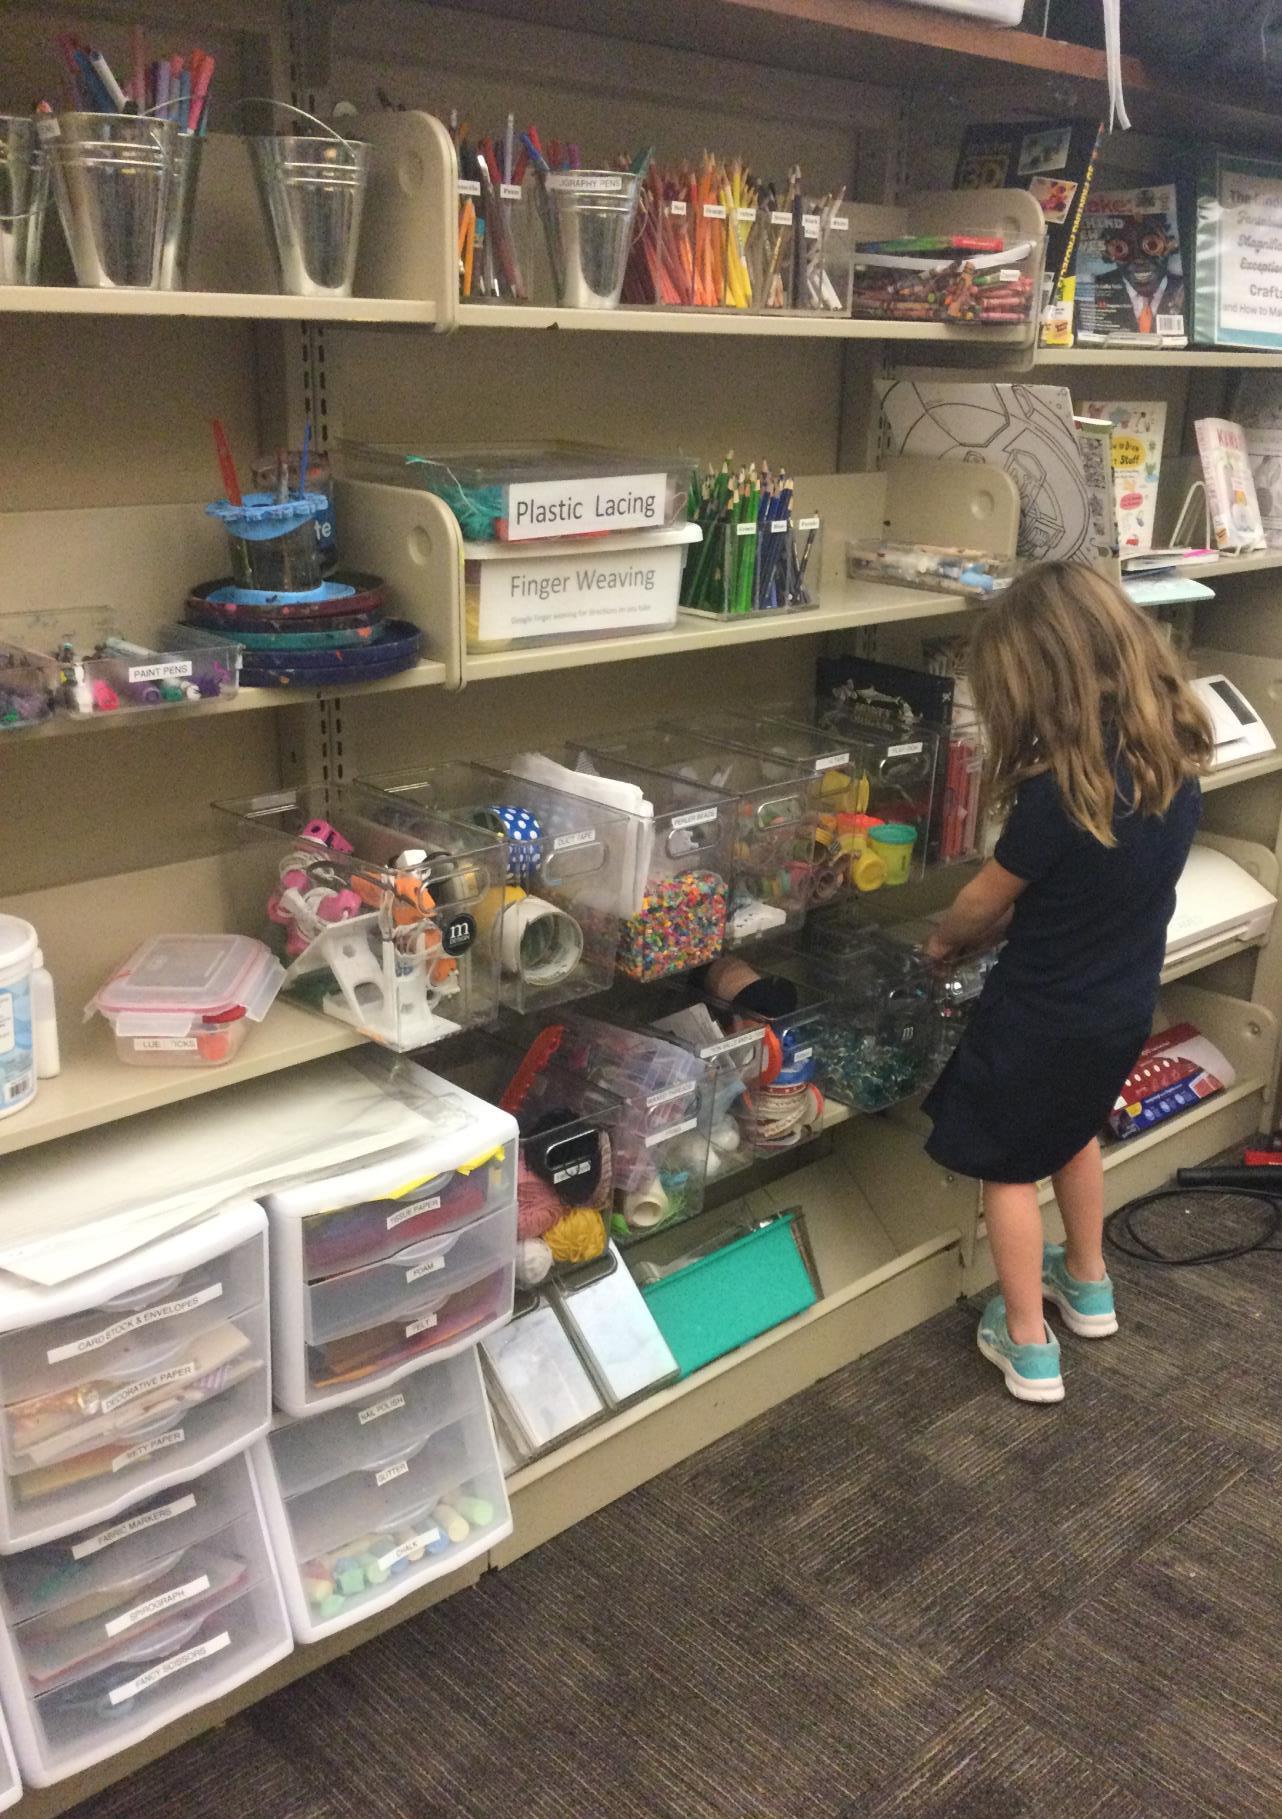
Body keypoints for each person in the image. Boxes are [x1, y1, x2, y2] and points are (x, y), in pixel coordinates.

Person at [922, 563, 1213, 1403]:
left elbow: (986, 901)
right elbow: (1094, 884)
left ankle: (1025, 1342)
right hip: (1121, 1005)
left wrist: (942, 941)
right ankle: (1088, 1283)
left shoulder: (1060, 794)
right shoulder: (1172, 762)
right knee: (1075, 1129)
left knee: (1008, 1167)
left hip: (1036, 1016)